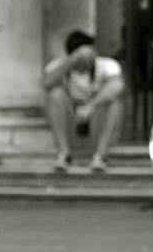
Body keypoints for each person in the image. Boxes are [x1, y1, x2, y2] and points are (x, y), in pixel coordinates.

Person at [41, 30, 125, 172]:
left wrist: (90, 106)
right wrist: (72, 61)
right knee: (54, 94)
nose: (89, 58)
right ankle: (64, 153)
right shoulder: (59, 66)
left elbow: (117, 85)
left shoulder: (107, 65)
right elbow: (47, 83)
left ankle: (100, 156)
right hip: (70, 121)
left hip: (96, 120)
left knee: (114, 103)